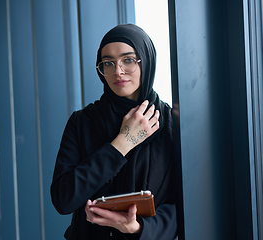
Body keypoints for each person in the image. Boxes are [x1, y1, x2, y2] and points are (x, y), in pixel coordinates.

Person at [51, 24, 177, 240]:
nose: (118, 71)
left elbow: (186, 206)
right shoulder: (82, 122)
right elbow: (64, 199)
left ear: (146, 61)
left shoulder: (169, 124)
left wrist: (137, 228)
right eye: (108, 63)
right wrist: (123, 143)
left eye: (128, 60)